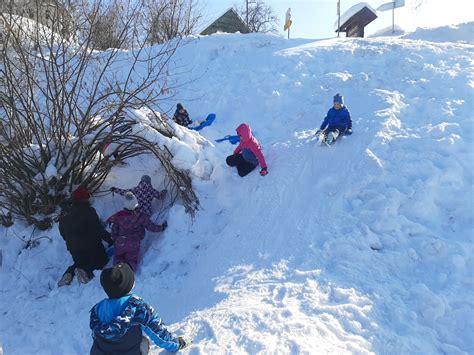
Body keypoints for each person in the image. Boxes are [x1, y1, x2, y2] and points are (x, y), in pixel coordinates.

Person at [90, 263, 187, 354]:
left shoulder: (97, 309)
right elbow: (158, 332)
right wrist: (176, 344)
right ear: (128, 285)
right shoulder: (137, 306)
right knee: (144, 341)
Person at [58, 187, 113, 287]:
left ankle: (69, 273)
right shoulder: (89, 211)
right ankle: (86, 272)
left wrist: (70, 240)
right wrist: (110, 239)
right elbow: (98, 229)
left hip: (73, 247)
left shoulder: (65, 213)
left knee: (80, 261)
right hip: (90, 245)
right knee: (101, 260)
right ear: (84, 200)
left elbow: (62, 232)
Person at [109, 192, 167, 271]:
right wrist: (162, 228)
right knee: (131, 260)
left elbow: (114, 230)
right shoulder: (141, 216)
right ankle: (128, 272)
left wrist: (115, 240)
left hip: (120, 241)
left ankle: (117, 271)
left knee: (118, 257)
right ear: (136, 204)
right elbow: (151, 227)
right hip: (134, 243)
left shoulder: (119, 216)